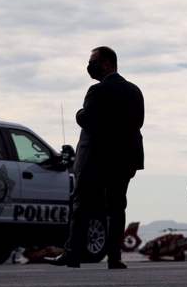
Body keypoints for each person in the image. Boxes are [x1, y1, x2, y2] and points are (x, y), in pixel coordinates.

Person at [55, 47, 144, 269]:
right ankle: (115, 257)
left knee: (82, 206)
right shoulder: (134, 91)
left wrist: (78, 114)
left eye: (92, 61)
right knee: (116, 207)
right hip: (123, 159)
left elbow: (88, 120)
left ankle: (73, 254)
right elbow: (138, 123)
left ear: (106, 63)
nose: (89, 65)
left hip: (96, 159)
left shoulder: (97, 91)